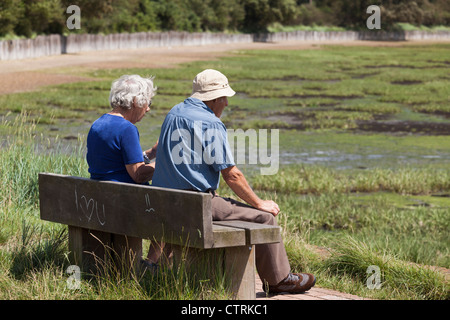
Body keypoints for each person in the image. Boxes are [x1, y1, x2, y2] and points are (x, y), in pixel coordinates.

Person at [151, 69, 316, 294]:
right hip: (196, 205)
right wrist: (259, 203)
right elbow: (232, 175)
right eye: (224, 98)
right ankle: (279, 280)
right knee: (265, 218)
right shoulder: (210, 123)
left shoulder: (174, 113)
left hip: (166, 203)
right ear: (215, 98)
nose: (227, 103)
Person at [86, 74, 158, 185]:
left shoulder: (97, 124)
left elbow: (115, 162)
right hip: (127, 198)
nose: (148, 109)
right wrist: (167, 162)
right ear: (136, 101)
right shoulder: (127, 129)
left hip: (101, 195)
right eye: (148, 102)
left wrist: (152, 153)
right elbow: (138, 175)